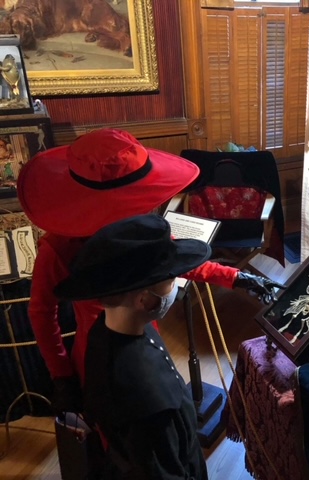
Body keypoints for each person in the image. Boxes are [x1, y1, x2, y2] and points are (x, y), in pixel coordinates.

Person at [17, 128, 282, 416]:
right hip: (98, 354)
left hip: (146, 333)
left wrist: (236, 277)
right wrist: (62, 375)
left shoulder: (137, 223)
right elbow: (41, 313)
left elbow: (173, 259)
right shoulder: (59, 247)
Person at [54, 214, 212, 479]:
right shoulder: (145, 399)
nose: (175, 286)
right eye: (171, 281)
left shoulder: (105, 331)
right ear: (145, 300)